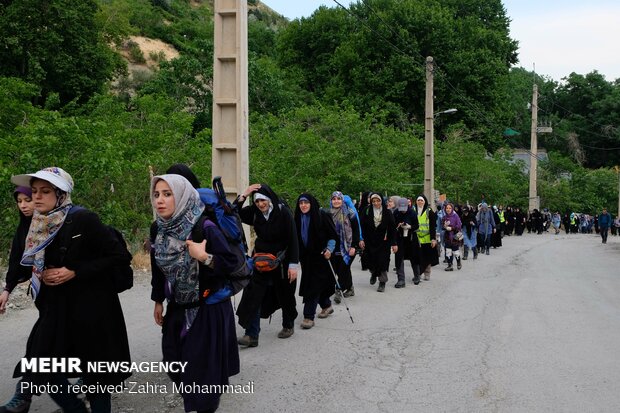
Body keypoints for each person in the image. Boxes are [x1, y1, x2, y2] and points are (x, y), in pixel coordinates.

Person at [10, 167, 131, 413]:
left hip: (92, 309)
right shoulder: (37, 225)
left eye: (45, 191)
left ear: (61, 193)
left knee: (96, 376)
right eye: (34, 192)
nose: (37, 198)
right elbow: (25, 261)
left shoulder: (83, 219)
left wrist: (74, 270)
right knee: (41, 364)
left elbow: (118, 256)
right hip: (56, 307)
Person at [150, 174, 239, 413]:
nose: (160, 200)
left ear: (181, 197)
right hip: (177, 306)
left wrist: (204, 257)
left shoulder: (204, 227)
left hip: (207, 307)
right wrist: (158, 299)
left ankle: (200, 407)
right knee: (173, 362)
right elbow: (157, 267)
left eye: (167, 194)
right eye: (157, 194)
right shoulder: (158, 228)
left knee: (201, 372)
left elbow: (232, 264)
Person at [234, 184, 299, 346]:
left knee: (285, 294)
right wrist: (245, 194)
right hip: (261, 261)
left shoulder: (283, 212)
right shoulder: (255, 213)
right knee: (253, 295)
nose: (260, 204)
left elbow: (293, 239)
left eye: (263, 201)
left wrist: (293, 264)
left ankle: (288, 325)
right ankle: (252, 334)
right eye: (257, 202)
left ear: (269, 199)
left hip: (281, 262)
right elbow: (233, 212)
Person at [0, 186, 36, 413]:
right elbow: (16, 260)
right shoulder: (24, 228)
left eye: (28, 200)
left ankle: (23, 395)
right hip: (48, 298)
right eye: (20, 201)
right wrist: (7, 289)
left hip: (74, 296)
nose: (23, 205)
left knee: (40, 346)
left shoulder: (58, 223)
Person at [294, 194, 338, 329]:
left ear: (311, 203)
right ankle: (326, 305)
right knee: (316, 284)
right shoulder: (297, 218)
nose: (303, 205)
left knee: (312, 286)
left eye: (306, 203)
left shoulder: (322, 216)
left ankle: (308, 316)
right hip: (306, 258)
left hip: (321, 256)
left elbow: (333, 235)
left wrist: (329, 249)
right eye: (301, 203)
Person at [359, 193, 397, 292]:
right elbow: (361, 226)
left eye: (378, 201)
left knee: (383, 261)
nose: (376, 203)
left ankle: (382, 282)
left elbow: (392, 228)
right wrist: (361, 239)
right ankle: (374, 273)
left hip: (383, 242)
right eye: (374, 201)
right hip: (370, 241)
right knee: (371, 260)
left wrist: (394, 243)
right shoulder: (366, 211)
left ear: (381, 201)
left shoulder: (387, 212)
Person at [329, 191, 360, 302]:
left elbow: (356, 230)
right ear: (331, 200)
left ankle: (338, 290)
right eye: (334, 199)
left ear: (342, 200)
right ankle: (350, 288)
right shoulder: (328, 213)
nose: (336, 201)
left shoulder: (350, 213)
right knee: (341, 269)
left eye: (339, 199)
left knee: (343, 268)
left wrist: (354, 246)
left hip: (348, 246)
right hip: (335, 246)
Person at [393, 197, 419, 287]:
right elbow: (393, 226)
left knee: (413, 257)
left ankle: (417, 276)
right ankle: (401, 279)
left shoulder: (412, 213)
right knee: (399, 257)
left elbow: (417, 225)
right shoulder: (396, 212)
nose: (403, 211)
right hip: (400, 238)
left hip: (411, 238)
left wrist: (410, 227)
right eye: (401, 209)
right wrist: (398, 225)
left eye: (404, 209)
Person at [413, 195, 439, 281]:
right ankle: (418, 273)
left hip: (427, 238)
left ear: (425, 202)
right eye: (418, 200)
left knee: (427, 257)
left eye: (421, 200)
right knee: (417, 256)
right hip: (417, 238)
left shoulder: (429, 211)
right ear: (416, 201)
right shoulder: (413, 210)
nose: (420, 202)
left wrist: (433, 239)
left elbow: (432, 226)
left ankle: (427, 273)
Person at [441, 202, 463, 271]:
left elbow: (459, 226)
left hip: (455, 236)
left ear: (452, 209)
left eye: (449, 208)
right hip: (447, 236)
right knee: (448, 251)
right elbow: (442, 226)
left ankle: (458, 262)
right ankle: (450, 265)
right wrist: (444, 227)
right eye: (447, 208)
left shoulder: (455, 216)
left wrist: (451, 228)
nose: (448, 209)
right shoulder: (444, 217)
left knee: (455, 251)